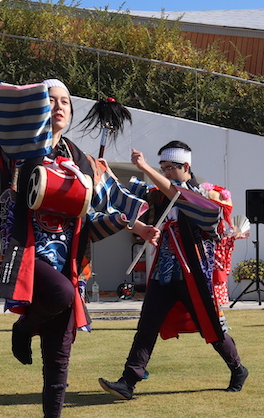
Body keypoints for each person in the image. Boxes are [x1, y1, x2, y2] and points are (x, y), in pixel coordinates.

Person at [0, 11, 158, 418]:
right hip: (28, 254)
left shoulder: (83, 161)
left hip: (67, 260)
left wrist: (137, 226)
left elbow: (106, 203)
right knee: (63, 297)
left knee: (61, 354)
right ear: (40, 105)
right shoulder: (23, 144)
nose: (61, 104)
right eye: (53, 97)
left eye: (67, 99)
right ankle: (22, 328)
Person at [98, 142, 248, 401]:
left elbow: (176, 193)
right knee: (147, 325)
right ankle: (128, 381)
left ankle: (238, 368)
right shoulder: (159, 194)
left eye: (170, 168)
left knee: (209, 325)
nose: (166, 172)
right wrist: (104, 172)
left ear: (186, 167)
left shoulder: (201, 196)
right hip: (164, 272)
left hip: (193, 273)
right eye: (163, 168)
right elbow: (126, 195)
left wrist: (144, 166)